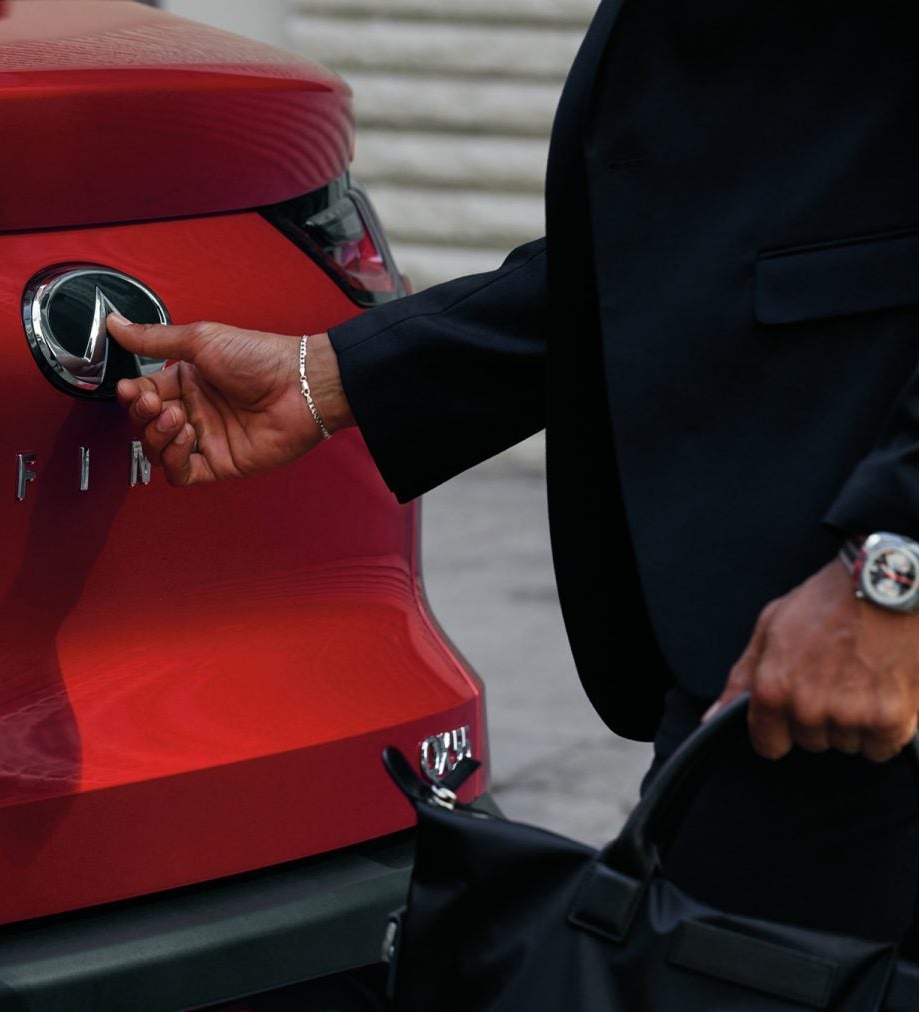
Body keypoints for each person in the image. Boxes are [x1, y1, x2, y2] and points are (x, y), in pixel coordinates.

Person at [109, 1, 919, 947]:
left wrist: (889, 570)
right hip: (778, 622)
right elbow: (702, 242)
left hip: (843, 622)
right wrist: (327, 377)